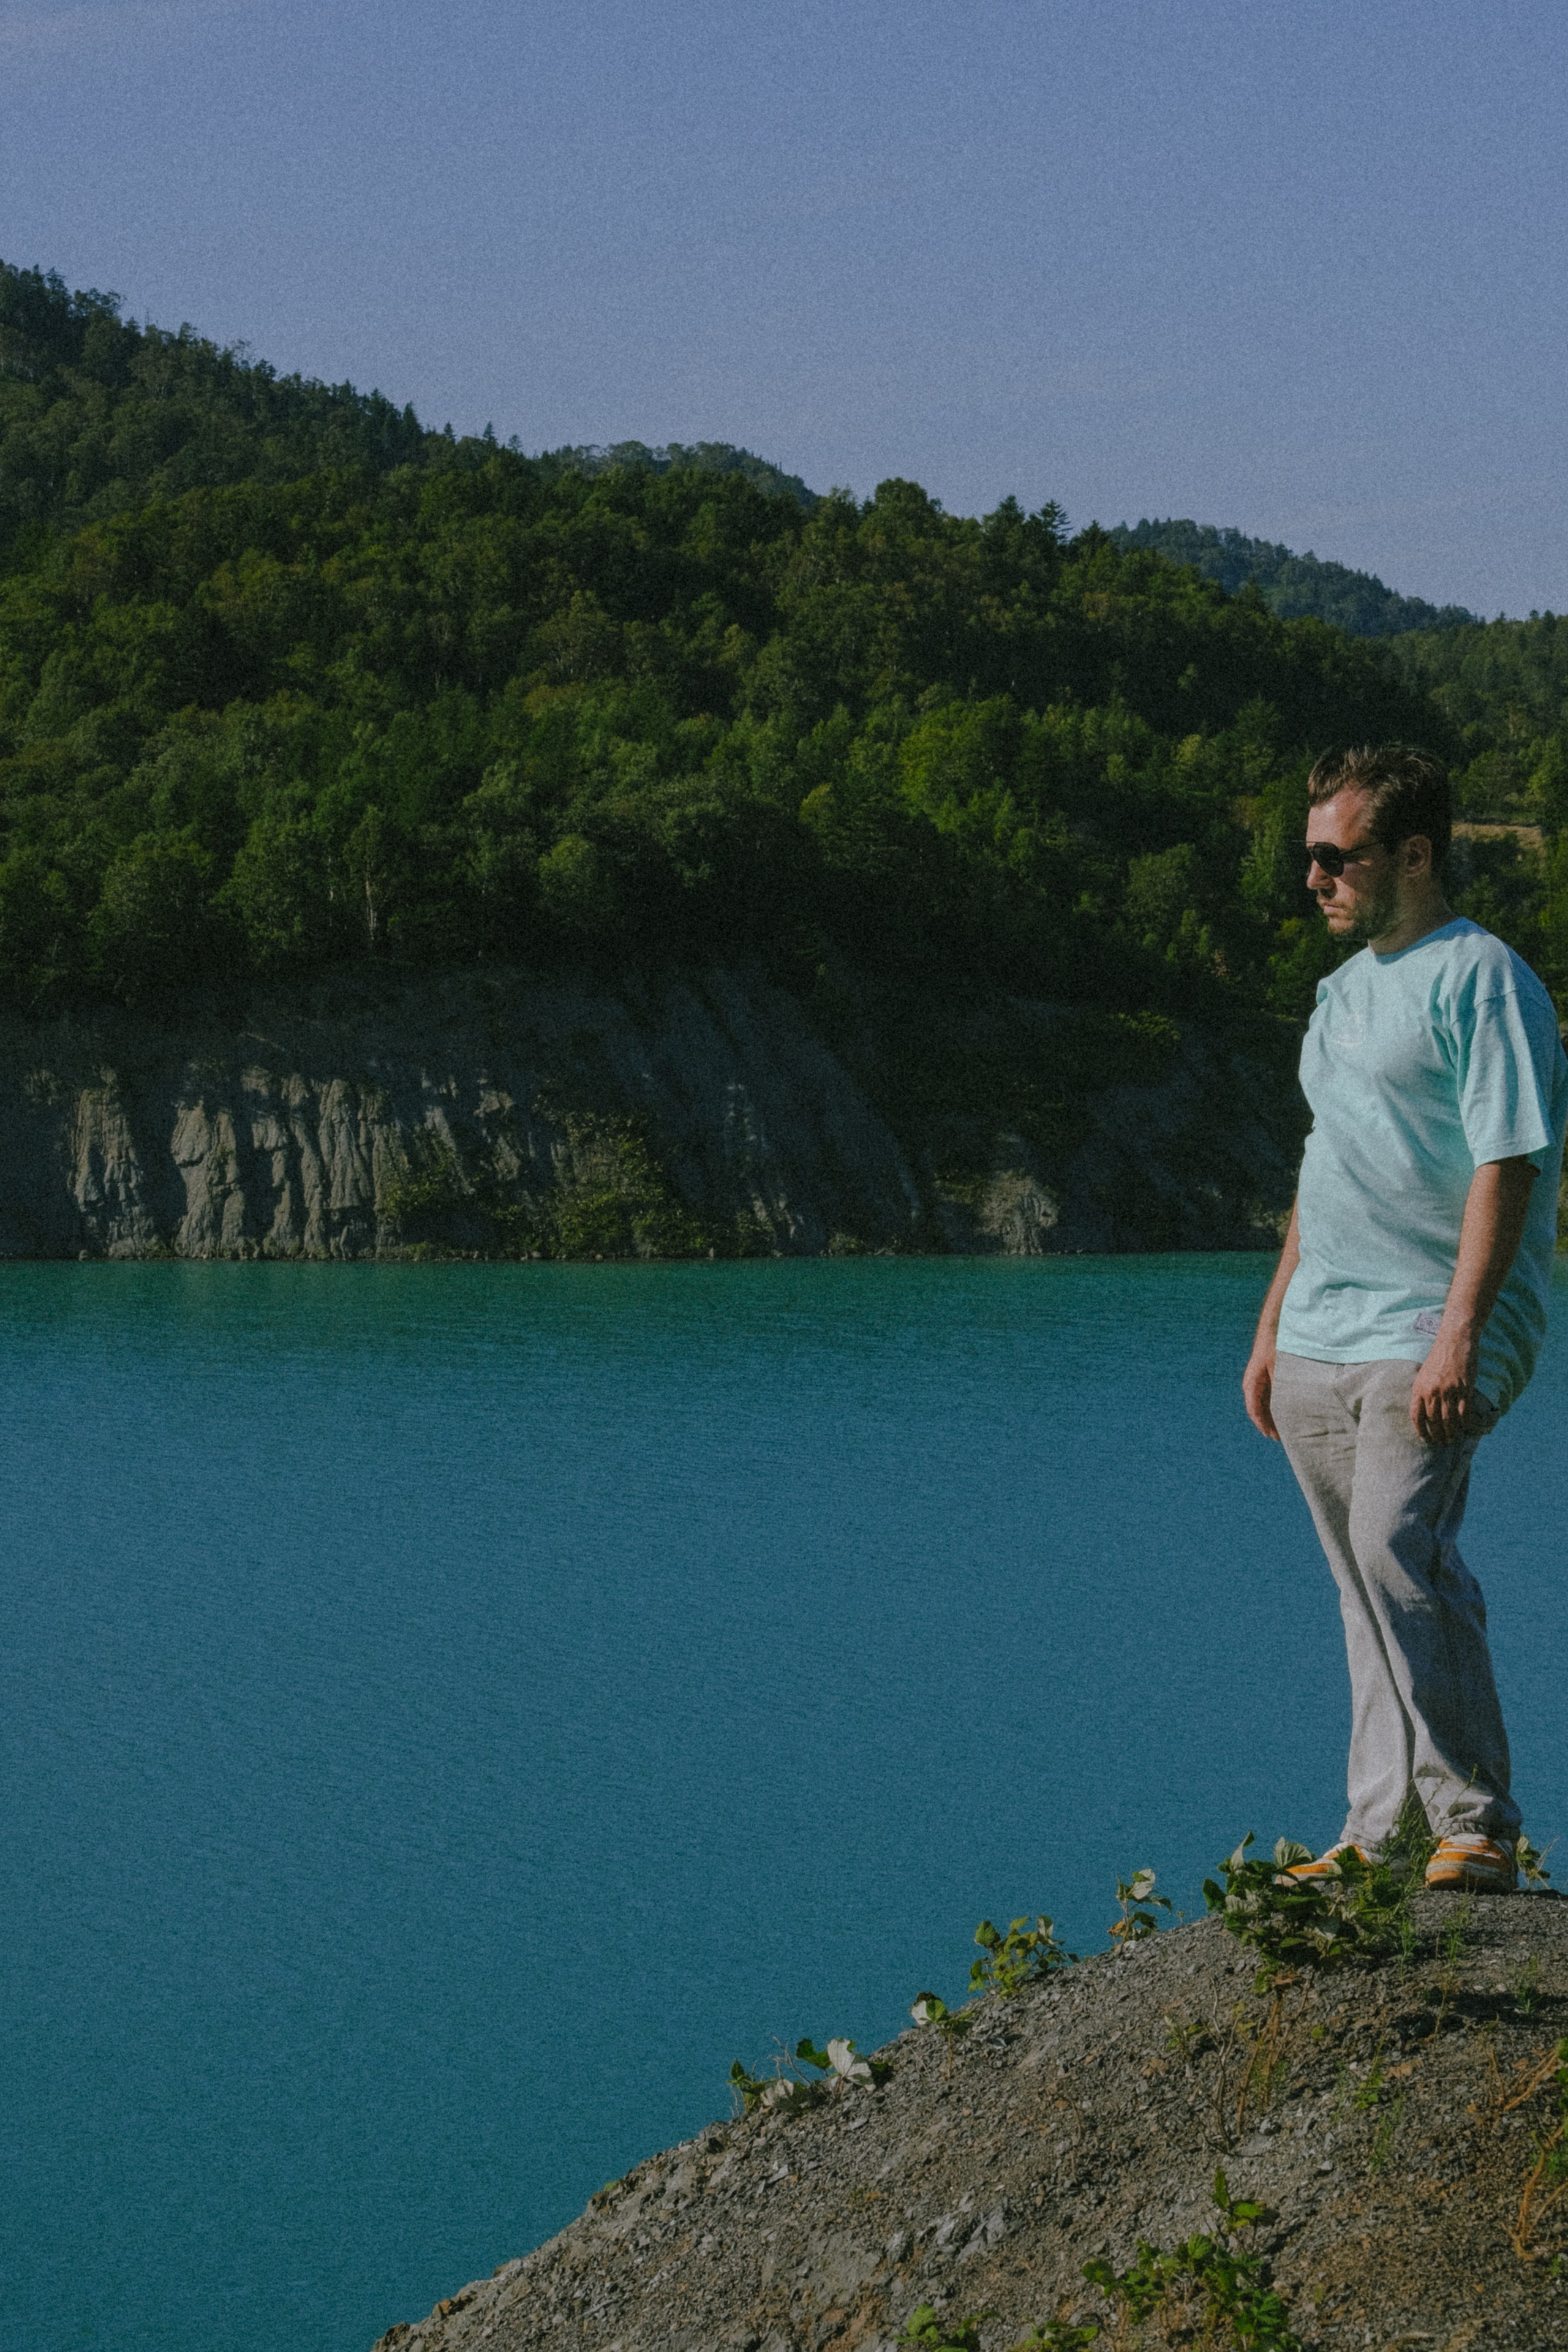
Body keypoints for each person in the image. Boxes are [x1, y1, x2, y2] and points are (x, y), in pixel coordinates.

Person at [1243, 743, 1568, 1891]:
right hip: (1324, 1329)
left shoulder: (1481, 978)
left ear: (1414, 854)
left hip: (1430, 1326)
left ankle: (1476, 1817)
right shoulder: (1340, 992)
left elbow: (1509, 1160)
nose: (1317, 878)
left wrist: (1462, 1334)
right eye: (1312, 858)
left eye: (1340, 856)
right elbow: (1326, 1161)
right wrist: (1275, 1323)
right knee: (1359, 1580)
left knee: (1399, 1551)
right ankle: (1379, 1832)